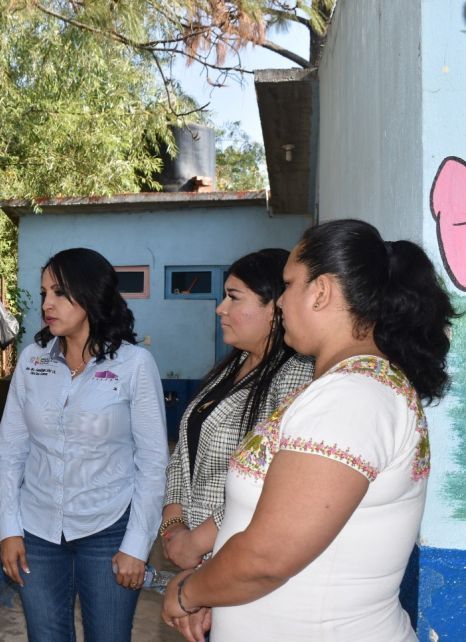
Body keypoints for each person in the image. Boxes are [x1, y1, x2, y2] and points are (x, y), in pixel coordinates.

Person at [162, 219, 455, 642]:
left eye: (288, 284)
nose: (280, 302)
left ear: (321, 292)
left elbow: (267, 556)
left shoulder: (350, 397)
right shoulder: (345, 387)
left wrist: (190, 590)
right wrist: (219, 585)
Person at [0, 247, 168, 642]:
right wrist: (8, 529)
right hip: (36, 531)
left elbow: (154, 462)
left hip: (107, 528)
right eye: (43, 294)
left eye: (59, 293)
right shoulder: (32, 361)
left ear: (90, 295)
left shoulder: (134, 365)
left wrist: (137, 545)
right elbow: (11, 453)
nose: (47, 304)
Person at [161, 249, 314, 572]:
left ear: (275, 307)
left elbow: (272, 483)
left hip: (236, 558)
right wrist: (173, 522)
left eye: (234, 298)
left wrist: (198, 541)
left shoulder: (296, 376)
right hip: (195, 553)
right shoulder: (234, 366)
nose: (220, 309)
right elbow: (184, 455)